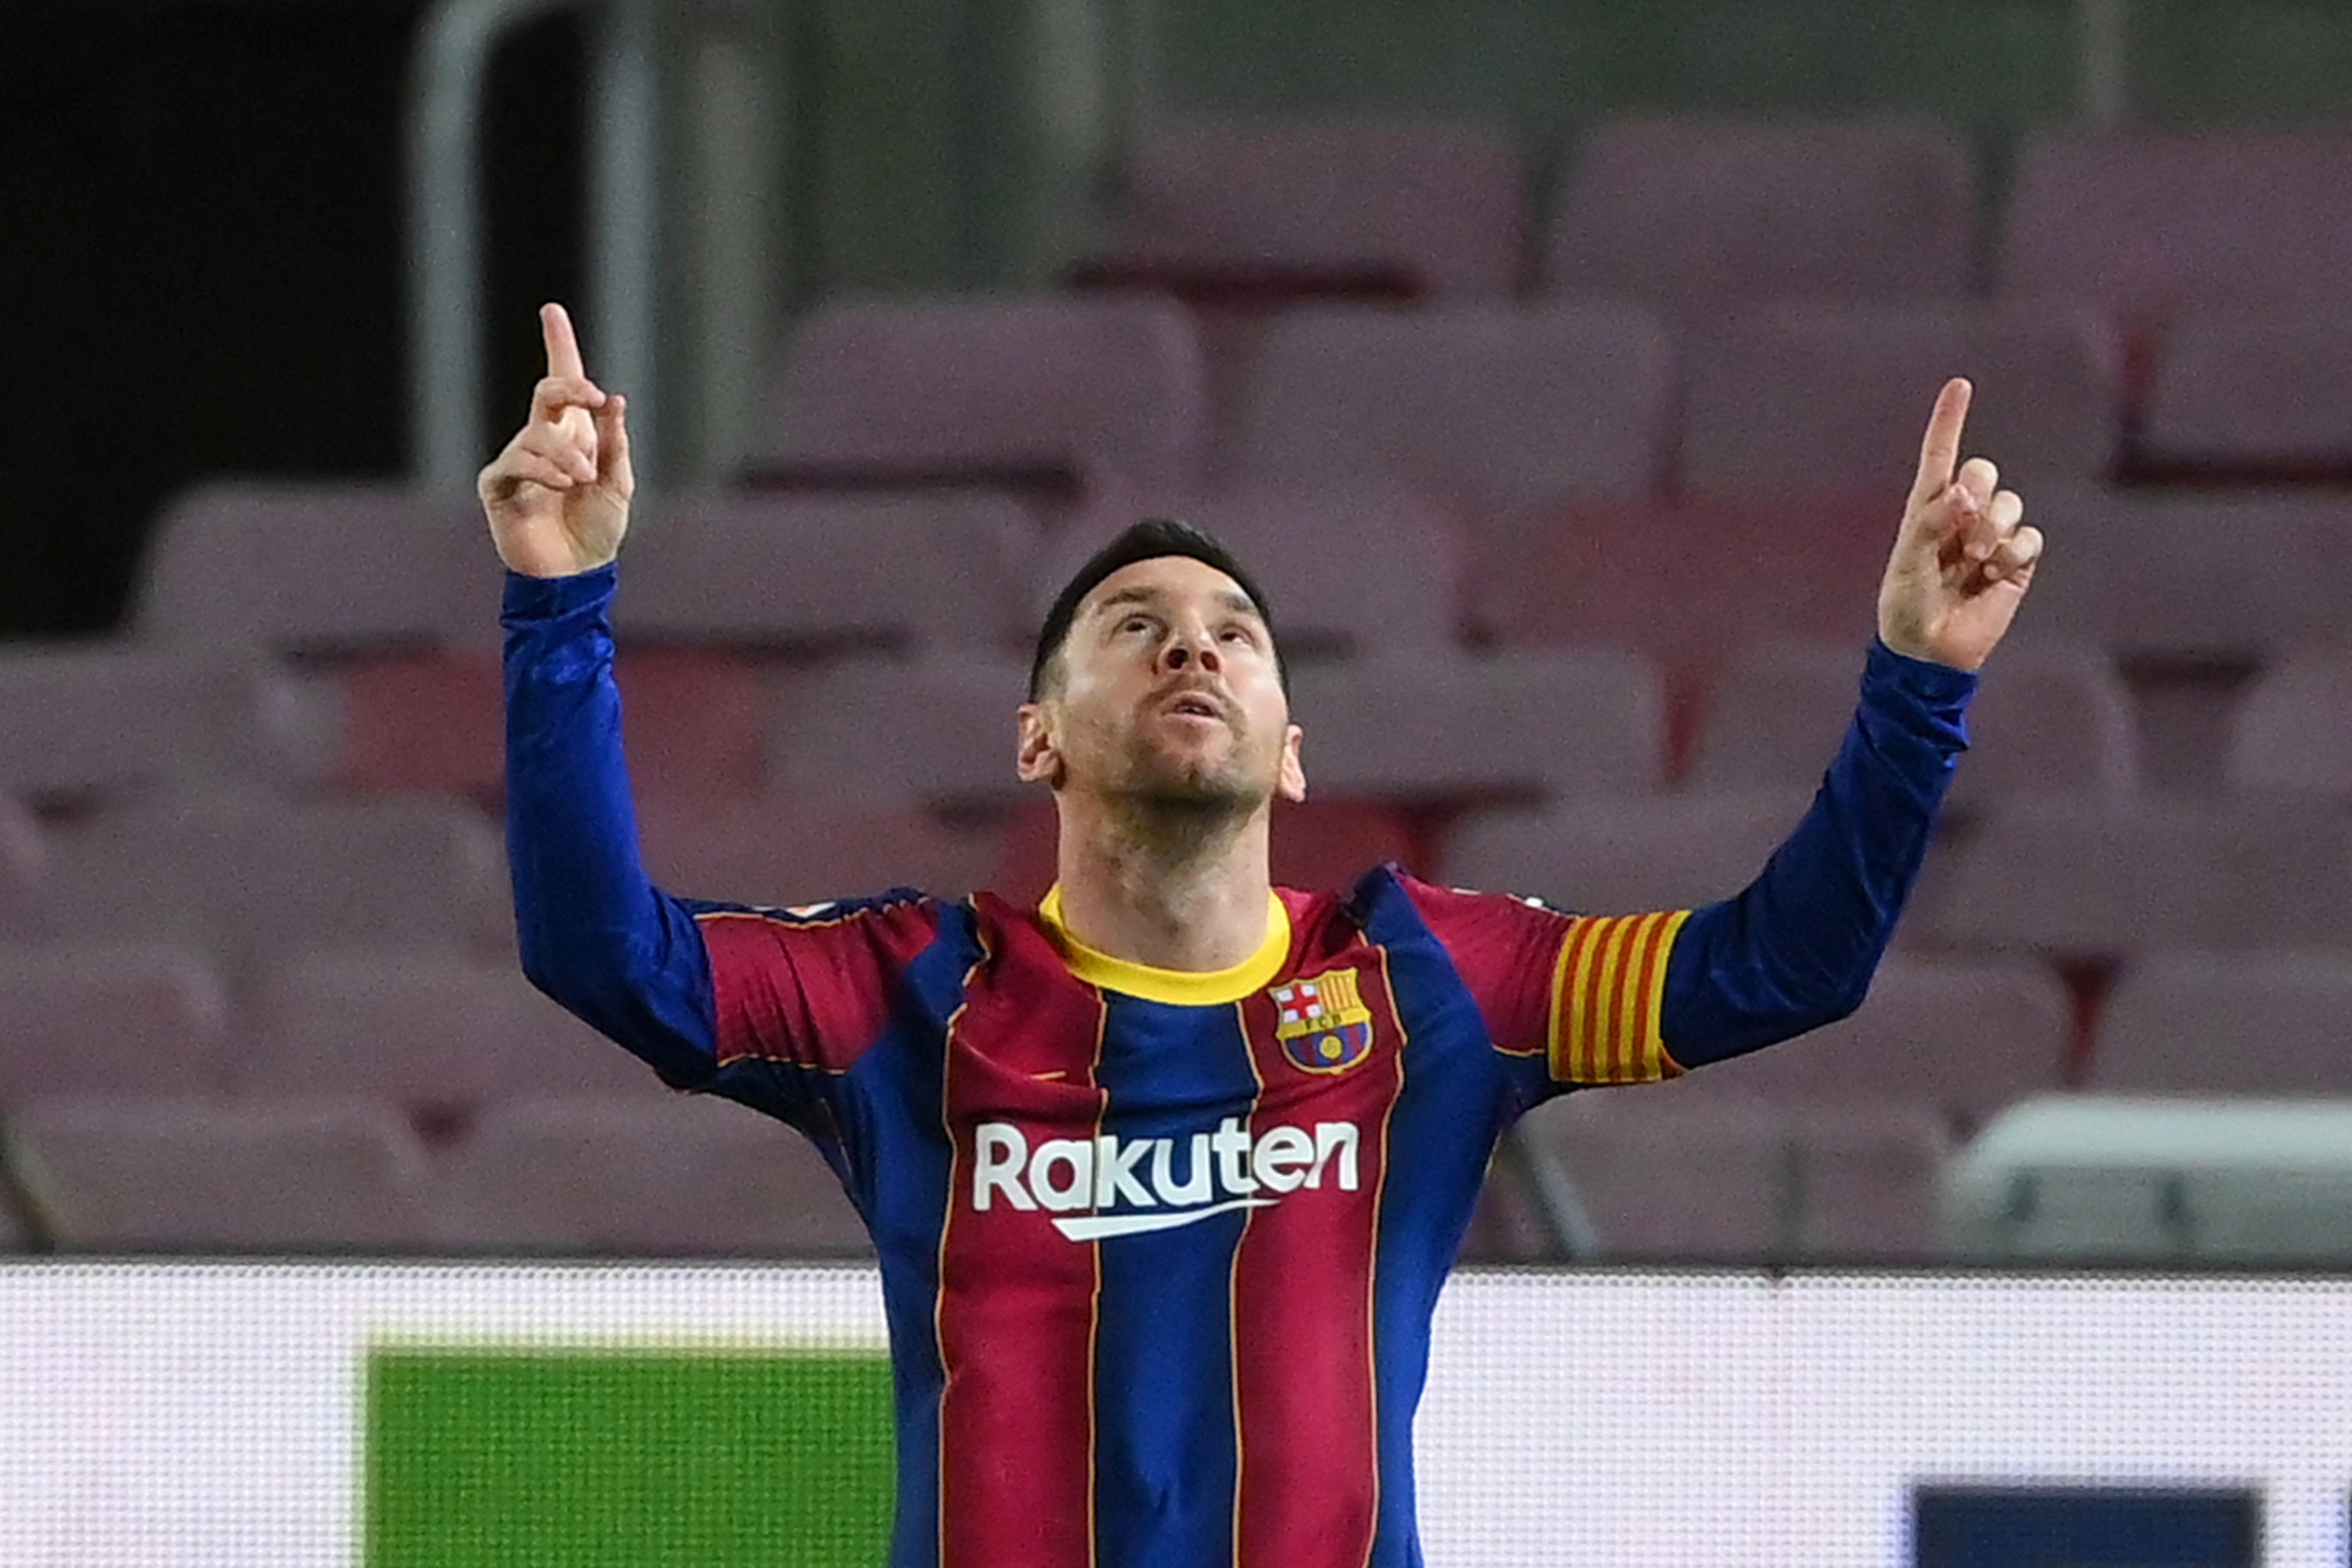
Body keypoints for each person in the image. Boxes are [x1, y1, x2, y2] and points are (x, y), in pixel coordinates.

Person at [485, 301, 2043, 1568]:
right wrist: (560, 599)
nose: (1194, 644)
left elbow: (1788, 965)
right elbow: (602, 952)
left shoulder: (1431, 984)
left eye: (1238, 633)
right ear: (1037, 738)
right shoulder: (904, 993)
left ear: (1293, 746)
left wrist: (1921, 681)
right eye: (1136, 624)